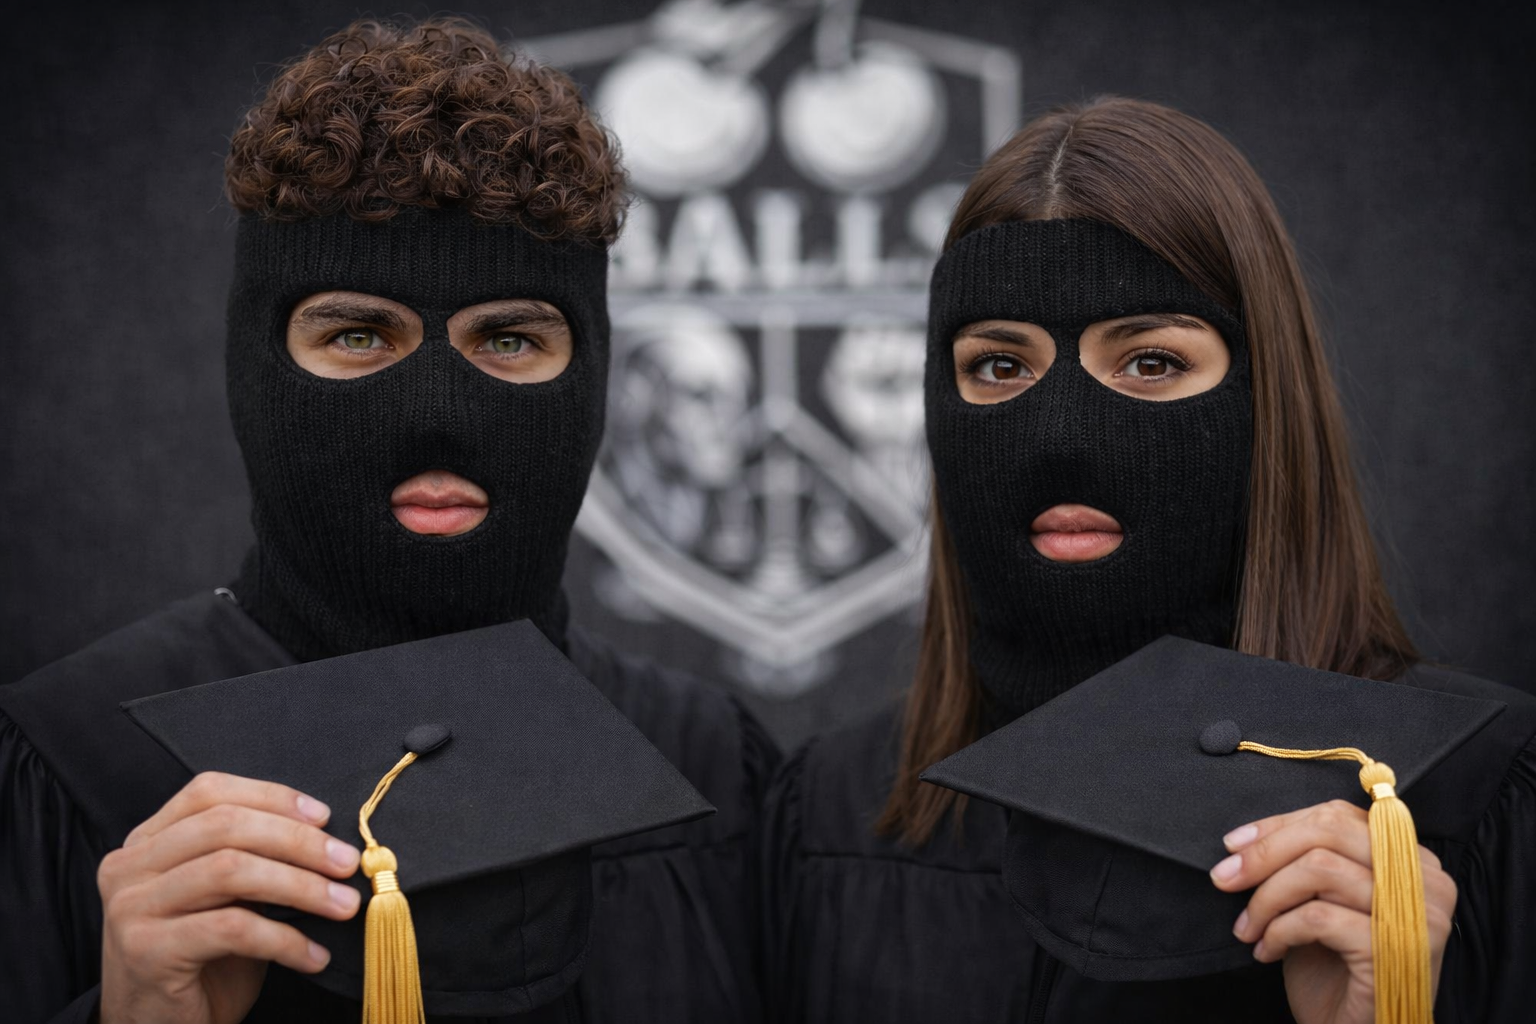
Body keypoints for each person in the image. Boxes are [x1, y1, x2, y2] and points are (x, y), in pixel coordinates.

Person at [0, 18, 774, 1024]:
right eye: (359, 335)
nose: (439, 417)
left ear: (592, 374)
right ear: (254, 367)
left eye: (508, 338)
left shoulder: (710, 768)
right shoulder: (71, 762)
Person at [764, 96, 1536, 1024]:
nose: (1059, 440)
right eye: (1000, 368)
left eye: (1151, 363)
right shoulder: (834, 809)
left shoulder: (1464, 793)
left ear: (1263, 394)